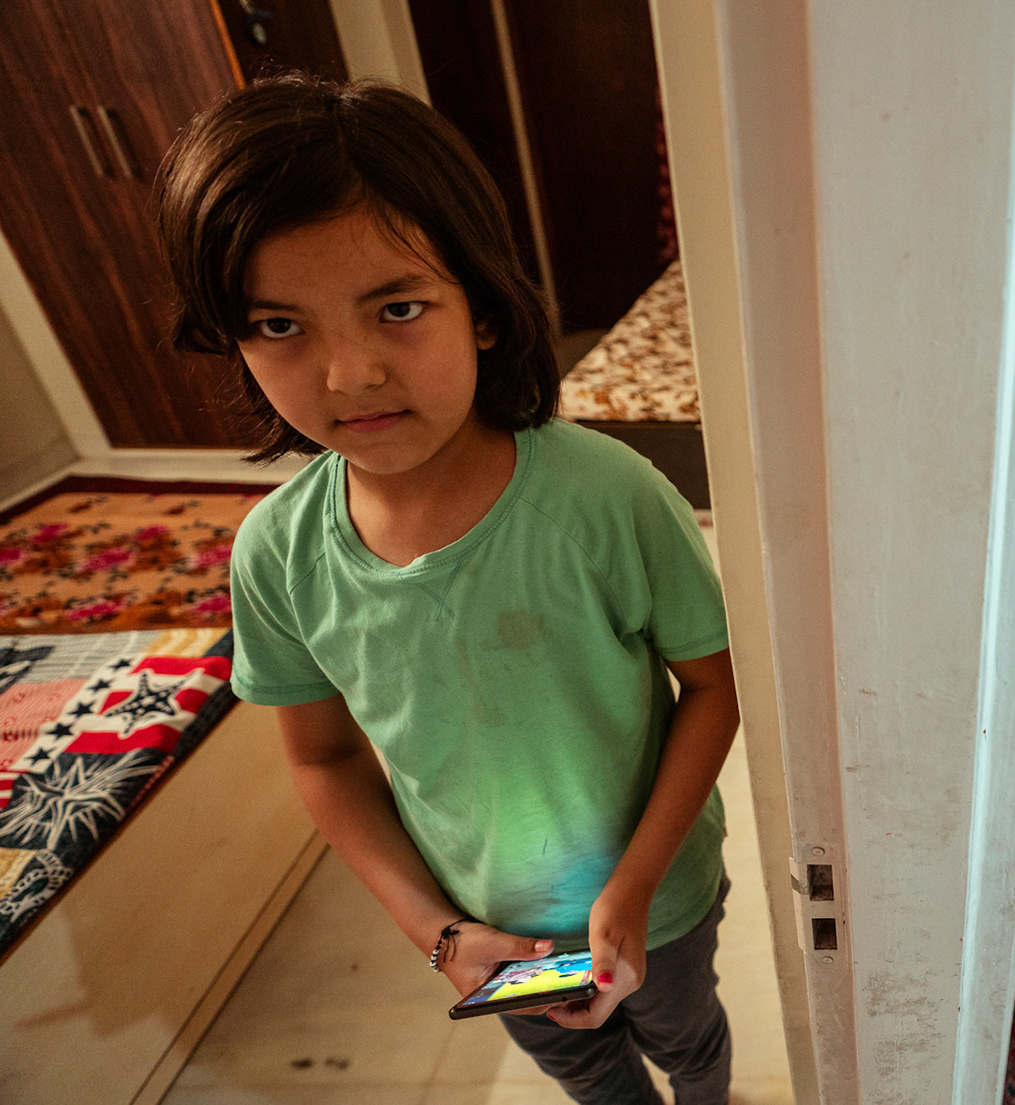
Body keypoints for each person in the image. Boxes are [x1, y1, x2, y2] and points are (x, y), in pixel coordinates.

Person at [156, 77, 739, 1105]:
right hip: (485, 930)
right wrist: (438, 934)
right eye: (280, 325)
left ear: (481, 306)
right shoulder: (276, 556)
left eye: (399, 306)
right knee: (590, 1075)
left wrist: (638, 886)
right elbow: (326, 759)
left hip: (666, 900)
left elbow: (716, 686)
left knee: (688, 1041)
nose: (348, 374)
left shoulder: (609, 497)